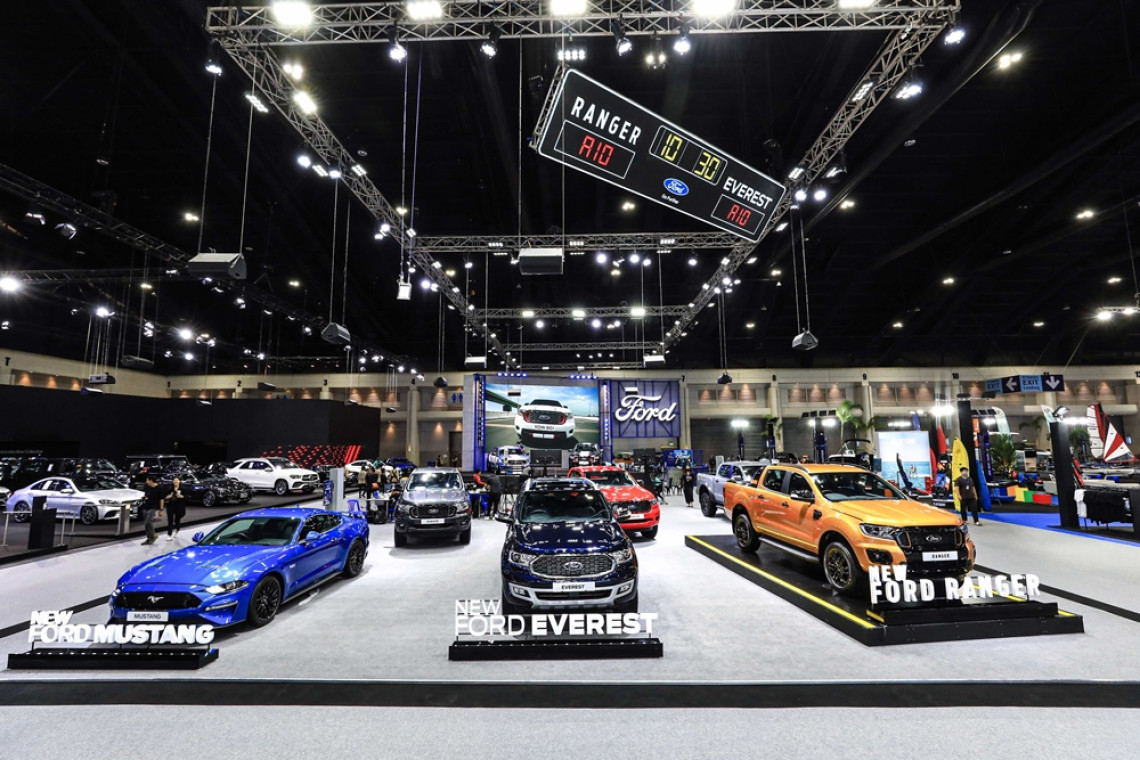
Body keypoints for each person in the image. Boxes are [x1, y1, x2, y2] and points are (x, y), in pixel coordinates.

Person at [140, 475, 164, 545]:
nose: (146, 481)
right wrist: (144, 498)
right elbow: (145, 495)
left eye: (147, 480)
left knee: (148, 522)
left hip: (153, 506)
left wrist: (161, 509)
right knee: (146, 524)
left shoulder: (159, 488)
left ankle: (153, 535)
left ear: (151, 481)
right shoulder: (147, 486)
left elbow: (161, 499)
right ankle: (149, 538)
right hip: (145, 506)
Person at [164, 476, 187, 541]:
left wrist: (182, 496)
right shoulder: (169, 489)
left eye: (177, 480)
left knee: (177, 519)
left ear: (179, 481)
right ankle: (169, 534)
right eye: (174, 480)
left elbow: (186, 498)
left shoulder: (183, 489)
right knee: (170, 520)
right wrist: (167, 497)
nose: (175, 481)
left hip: (179, 506)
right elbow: (164, 496)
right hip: (170, 506)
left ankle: (177, 529)